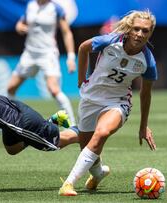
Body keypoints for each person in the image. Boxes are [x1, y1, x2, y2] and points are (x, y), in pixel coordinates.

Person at [58, 10, 158, 196]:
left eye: (145, 31)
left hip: (118, 102)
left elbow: (145, 94)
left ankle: (68, 184)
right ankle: (99, 173)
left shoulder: (148, 61)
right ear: (129, 29)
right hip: (90, 99)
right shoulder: (110, 41)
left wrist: (143, 126)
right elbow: (83, 48)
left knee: (101, 133)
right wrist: (82, 79)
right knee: (88, 147)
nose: (139, 34)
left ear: (150, 33)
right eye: (136, 29)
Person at [7, 0, 77, 125]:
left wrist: (71, 57)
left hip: (48, 54)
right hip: (29, 53)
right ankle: (8, 122)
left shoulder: (56, 8)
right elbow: (20, 24)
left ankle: (72, 125)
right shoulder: (31, 5)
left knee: (54, 89)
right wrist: (20, 27)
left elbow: (67, 33)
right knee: (11, 87)